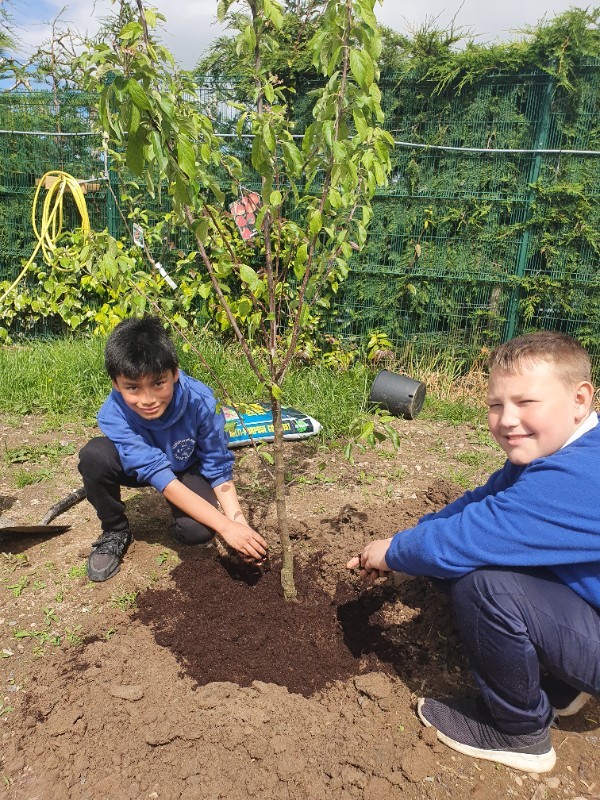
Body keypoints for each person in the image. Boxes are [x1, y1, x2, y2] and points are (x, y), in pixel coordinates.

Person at [347, 331, 599, 773]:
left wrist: (391, 552)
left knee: (485, 583)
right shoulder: (556, 454)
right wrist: (409, 539)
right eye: (495, 404)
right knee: (494, 553)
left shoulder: (579, 477)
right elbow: (480, 503)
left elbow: (468, 538)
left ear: (580, 399)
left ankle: (518, 733)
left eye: (526, 402)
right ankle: (566, 683)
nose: (506, 419)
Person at [78, 316, 268, 582]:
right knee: (94, 456)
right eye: (132, 388)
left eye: (158, 383)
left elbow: (217, 464)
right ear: (115, 384)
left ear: (175, 372)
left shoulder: (200, 401)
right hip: (140, 469)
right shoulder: (113, 414)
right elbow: (158, 474)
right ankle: (115, 530)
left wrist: (238, 524)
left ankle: (183, 515)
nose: (148, 400)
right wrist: (225, 526)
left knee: (197, 532)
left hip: (183, 465)